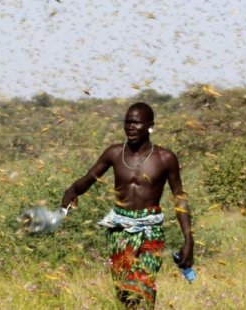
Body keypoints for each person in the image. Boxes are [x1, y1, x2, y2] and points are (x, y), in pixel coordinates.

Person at [61, 102, 194, 309]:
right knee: (124, 291)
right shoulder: (114, 153)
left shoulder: (165, 158)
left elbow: (179, 196)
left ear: (150, 126)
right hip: (119, 229)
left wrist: (188, 239)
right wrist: (72, 191)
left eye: (136, 123)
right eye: (127, 122)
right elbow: (89, 178)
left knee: (145, 285)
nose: (130, 127)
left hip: (150, 230)